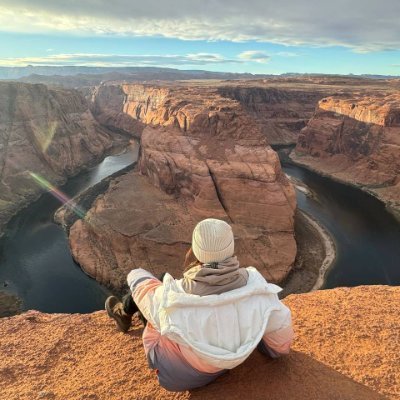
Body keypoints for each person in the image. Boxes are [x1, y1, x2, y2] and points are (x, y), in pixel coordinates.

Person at [105, 218, 294, 392]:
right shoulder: (257, 285)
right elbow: (281, 342)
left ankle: (123, 313)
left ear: (196, 250)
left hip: (178, 377)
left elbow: (137, 281)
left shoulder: (173, 295)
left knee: (152, 285)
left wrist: (138, 276)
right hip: (234, 362)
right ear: (231, 248)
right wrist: (261, 342)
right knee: (158, 293)